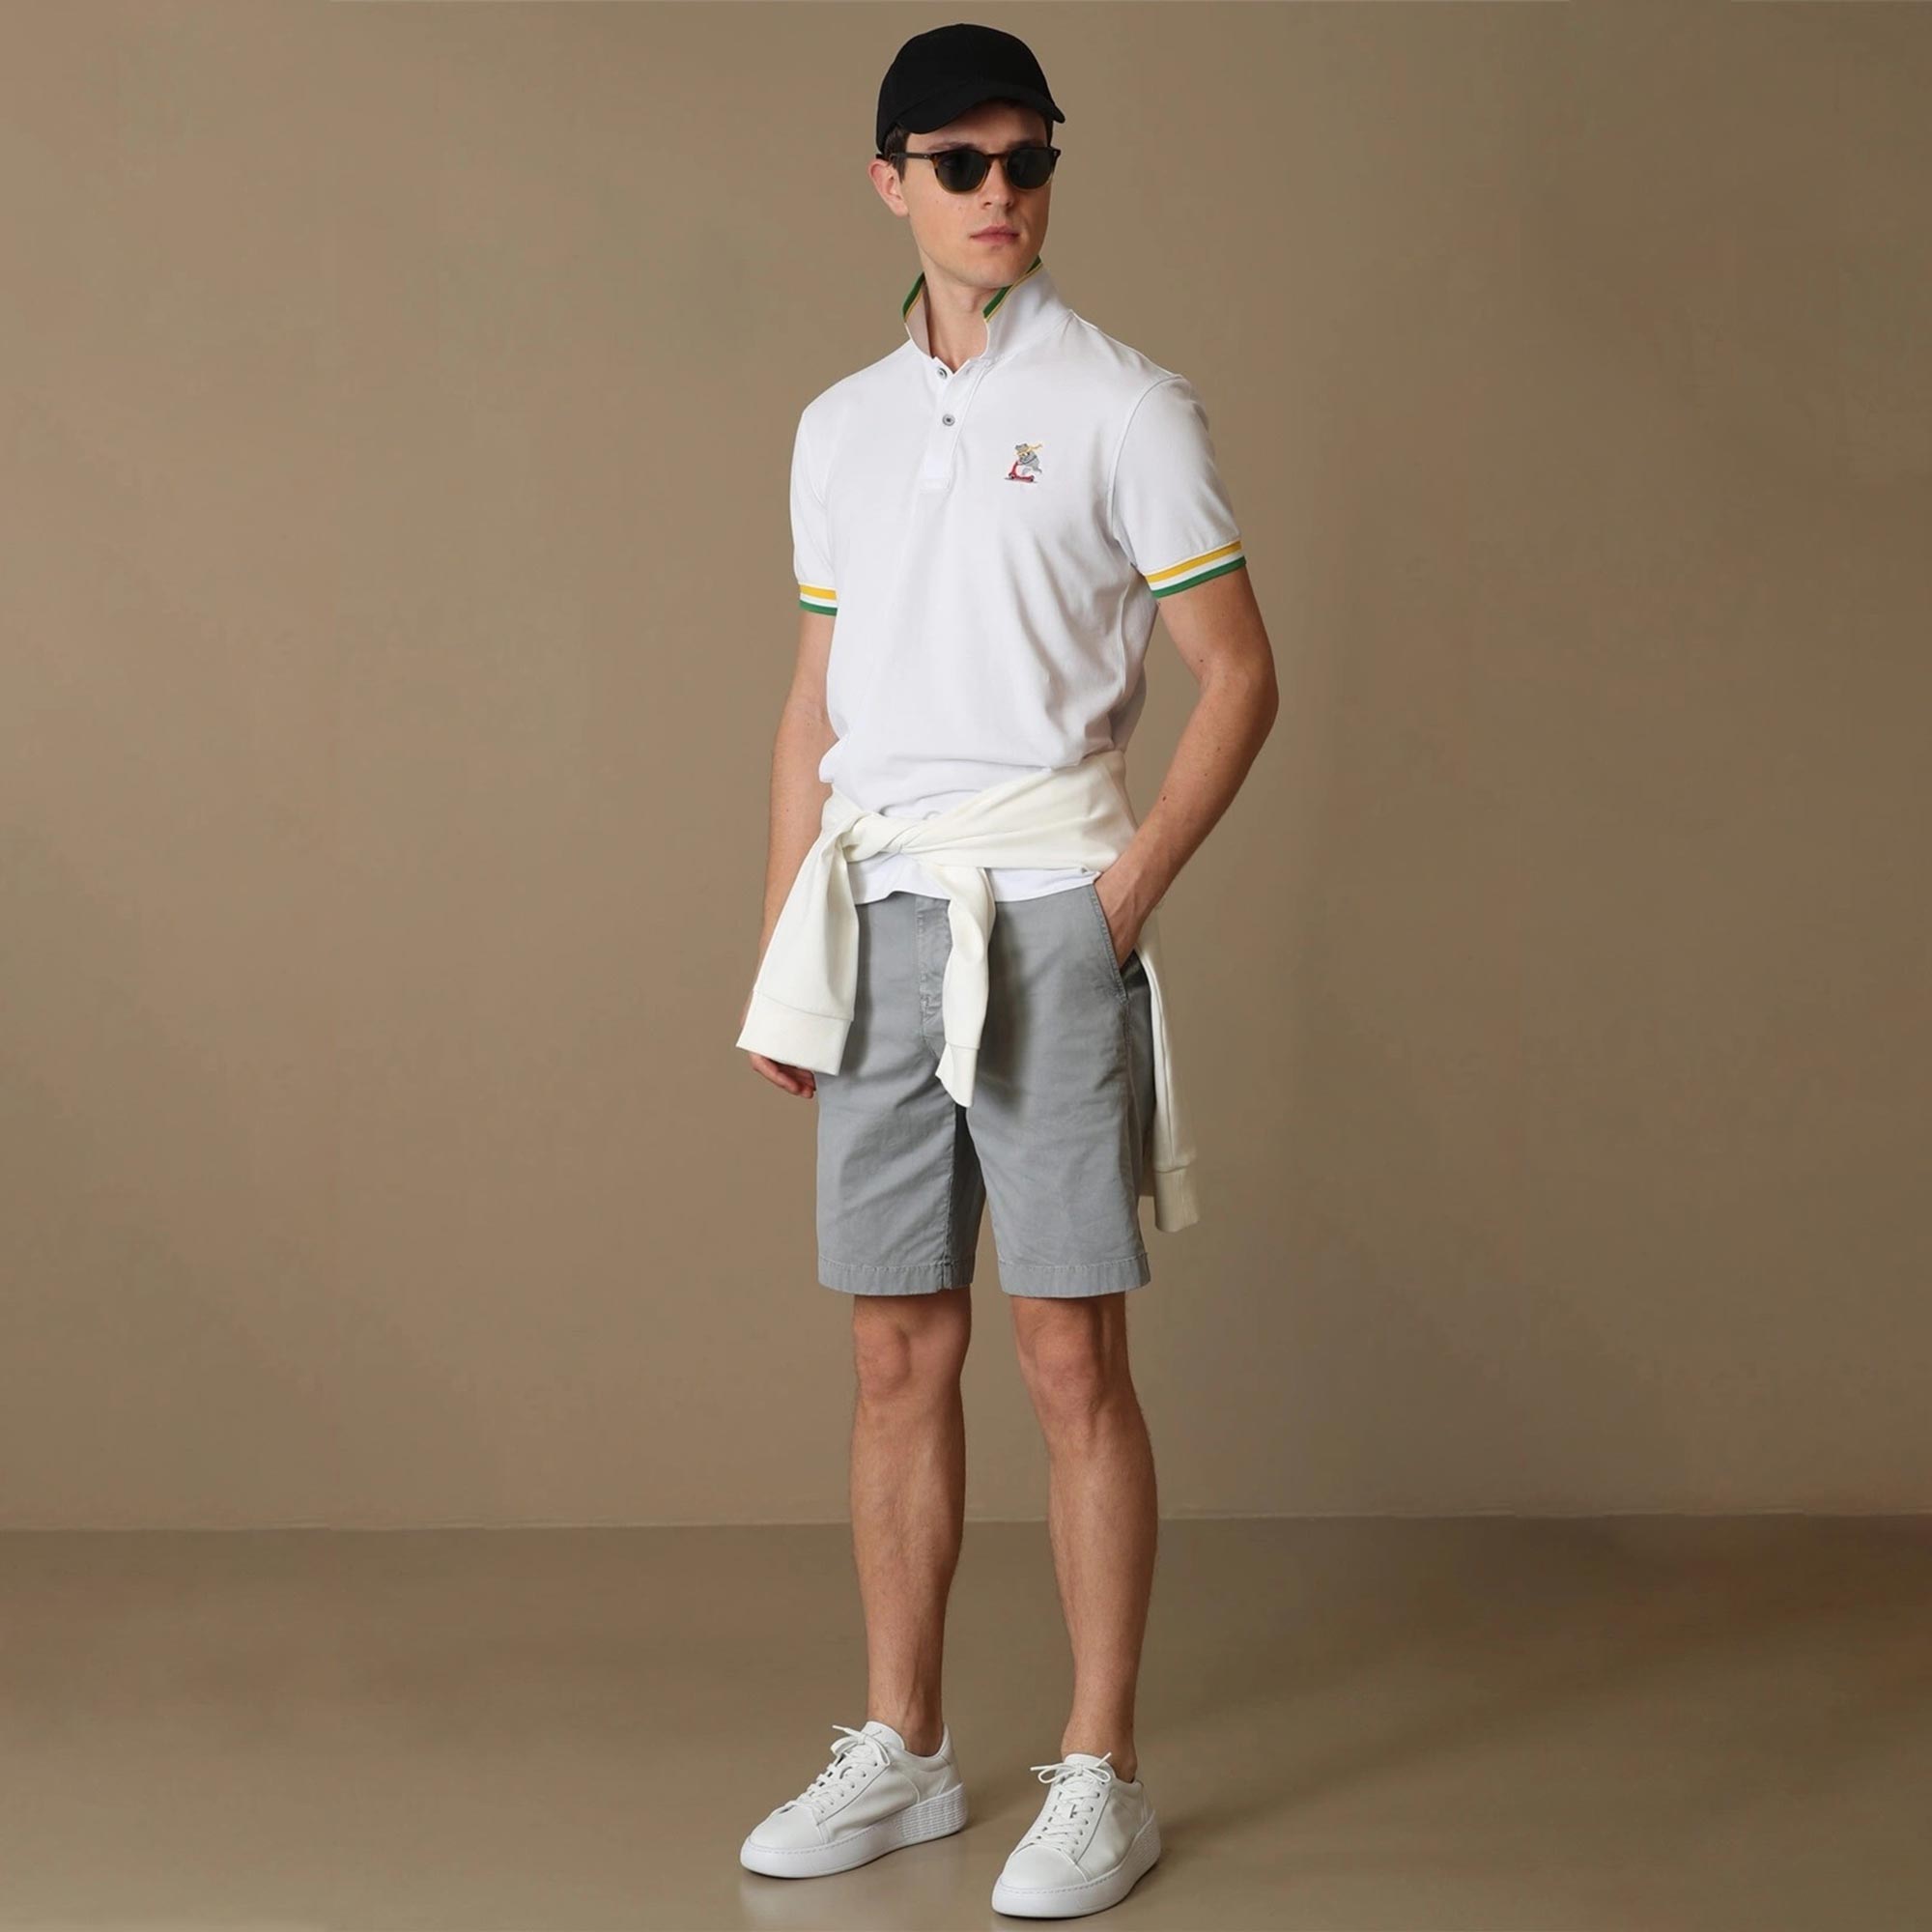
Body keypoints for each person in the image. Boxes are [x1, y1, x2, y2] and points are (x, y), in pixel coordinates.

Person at [734, 21, 1277, 1920]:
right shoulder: (839, 426)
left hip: (1048, 905)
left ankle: (1099, 1769)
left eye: (1025, 159)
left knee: (1066, 1352)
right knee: (895, 1350)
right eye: (957, 163)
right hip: (880, 917)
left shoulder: (1128, 407)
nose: (997, 193)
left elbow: (1239, 675)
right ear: (888, 180)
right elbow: (815, 696)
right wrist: (785, 945)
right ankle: (902, 1746)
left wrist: (1115, 903)